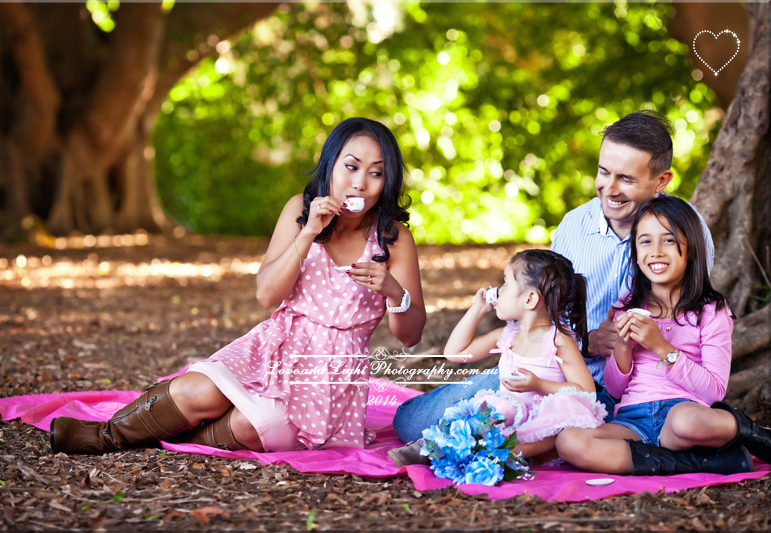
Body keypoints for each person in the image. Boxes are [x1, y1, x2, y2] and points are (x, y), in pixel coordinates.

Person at [50, 117, 427, 455]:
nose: (360, 182)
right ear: (331, 164)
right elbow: (266, 296)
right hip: (275, 345)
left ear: (386, 181)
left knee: (253, 425)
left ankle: (168, 439)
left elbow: (410, 336)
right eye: (351, 166)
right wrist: (308, 232)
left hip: (327, 374)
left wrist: (394, 291)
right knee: (193, 392)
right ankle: (104, 436)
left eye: (376, 173)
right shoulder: (301, 209)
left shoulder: (393, 238)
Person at [389, 110, 715, 465]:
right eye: (604, 172)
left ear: (661, 180)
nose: (610, 188)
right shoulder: (574, 227)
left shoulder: (683, 231)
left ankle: (511, 445)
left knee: (561, 426)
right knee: (411, 421)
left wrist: (633, 344)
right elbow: (547, 308)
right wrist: (585, 340)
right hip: (553, 370)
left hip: (628, 391)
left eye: (626, 179)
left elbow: (695, 320)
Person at [555, 196, 770, 475]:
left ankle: (756, 436)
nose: (655, 251)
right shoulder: (628, 305)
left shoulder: (710, 310)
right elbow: (617, 390)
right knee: (569, 441)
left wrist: (661, 347)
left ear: (691, 248)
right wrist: (622, 348)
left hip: (683, 414)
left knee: (685, 422)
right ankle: (707, 463)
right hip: (633, 421)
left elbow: (715, 389)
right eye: (645, 241)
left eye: (668, 240)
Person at [390, 249, 606, 467]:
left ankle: (510, 452)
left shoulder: (557, 341)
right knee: (490, 409)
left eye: (505, 284)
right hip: (507, 417)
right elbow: (454, 353)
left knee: (565, 411)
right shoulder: (508, 335)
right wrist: (476, 310)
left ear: (530, 299)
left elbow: (586, 392)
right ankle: (438, 445)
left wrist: (539, 384)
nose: (498, 291)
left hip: (543, 421)